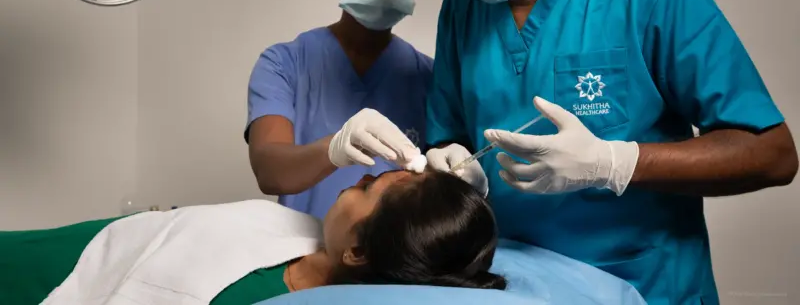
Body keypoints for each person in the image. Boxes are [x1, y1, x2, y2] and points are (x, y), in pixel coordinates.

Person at [384, 0, 798, 305]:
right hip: (516, 285)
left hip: (644, 285)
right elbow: (450, 131)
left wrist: (615, 163)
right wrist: (453, 166)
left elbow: (771, 154)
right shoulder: (462, 10)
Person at [0, 169, 507, 305]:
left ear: (357, 251)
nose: (357, 179)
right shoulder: (301, 232)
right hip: (76, 245)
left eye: (369, 188)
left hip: (55, 285)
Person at [246, 0, 434, 219]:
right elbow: (269, 170)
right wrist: (333, 150)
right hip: (299, 252)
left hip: (393, 259)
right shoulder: (284, 64)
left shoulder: (429, 77)